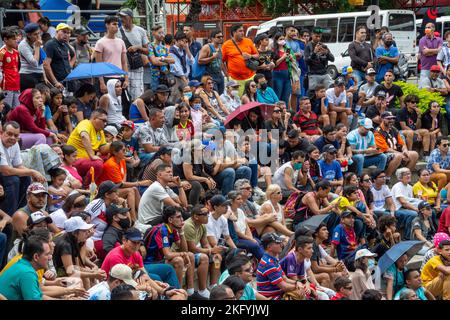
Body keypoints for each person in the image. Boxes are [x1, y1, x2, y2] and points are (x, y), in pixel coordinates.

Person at [144, 206, 209, 298]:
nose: (182, 220)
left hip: (160, 261)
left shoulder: (173, 229)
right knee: (178, 260)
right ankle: (178, 293)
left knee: (190, 255)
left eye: (182, 217)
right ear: (170, 219)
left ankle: (190, 291)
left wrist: (181, 232)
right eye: (178, 217)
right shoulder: (162, 230)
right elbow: (168, 254)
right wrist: (182, 254)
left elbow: (185, 250)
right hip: (150, 263)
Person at [0, 122, 45, 218]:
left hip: (4, 174)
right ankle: (9, 216)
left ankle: (21, 213)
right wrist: (32, 171)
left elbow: (18, 165)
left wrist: (33, 174)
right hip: (3, 174)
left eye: (15, 135)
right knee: (13, 180)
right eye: (9, 134)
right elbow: (5, 170)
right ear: (1, 133)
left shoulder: (14, 144)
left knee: (26, 178)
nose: (12, 138)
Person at [67, 108, 110, 187]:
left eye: (106, 121)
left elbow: (103, 149)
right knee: (98, 164)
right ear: (94, 118)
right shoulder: (85, 123)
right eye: (103, 120)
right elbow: (84, 136)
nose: (105, 123)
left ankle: (104, 185)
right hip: (75, 159)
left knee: (109, 157)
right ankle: (86, 187)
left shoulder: (100, 131)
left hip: (86, 161)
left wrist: (114, 145)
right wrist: (92, 156)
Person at [256, 232, 306, 300]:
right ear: (269, 247)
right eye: (277, 243)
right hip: (271, 297)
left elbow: (285, 279)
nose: (281, 245)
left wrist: (297, 282)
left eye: (281, 242)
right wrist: (298, 286)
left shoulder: (274, 259)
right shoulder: (268, 263)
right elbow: (284, 286)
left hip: (278, 294)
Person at [0, 235, 51, 300]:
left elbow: (39, 296)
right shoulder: (27, 273)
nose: (50, 258)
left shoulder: (21, 265)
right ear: (36, 257)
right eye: (47, 254)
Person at [117, 8, 149, 101]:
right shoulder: (117, 31)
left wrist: (137, 47)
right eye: (120, 16)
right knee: (123, 97)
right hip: (121, 68)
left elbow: (147, 51)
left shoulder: (141, 31)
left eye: (123, 16)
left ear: (130, 17)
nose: (121, 19)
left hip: (136, 68)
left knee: (137, 97)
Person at [374, 111, 418, 178]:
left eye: (392, 118)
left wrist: (405, 151)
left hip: (396, 153)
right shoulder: (378, 132)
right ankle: (387, 178)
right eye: (388, 119)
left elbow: (402, 144)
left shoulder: (394, 129)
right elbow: (386, 149)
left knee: (414, 154)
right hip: (383, 155)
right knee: (398, 156)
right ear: (382, 119)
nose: (391, 120)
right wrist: (401, 154)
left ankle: (404, 177)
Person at [95, 15, 129, 94]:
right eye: (114, 24)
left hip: (120, 77)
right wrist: (102, 83)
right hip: (106, 77)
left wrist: (126, 79)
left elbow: (124, 62)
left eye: (117, 24)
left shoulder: (121, 42)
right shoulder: (100, 42)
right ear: (107, 25)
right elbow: (98, 65)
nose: (116, 26)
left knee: (121, 103)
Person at [222, 24, 259, 95]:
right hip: (234, 79)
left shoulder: (249, 41)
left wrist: (250, 56)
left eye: (243, 31)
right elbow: (221, 61)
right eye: (240, 31)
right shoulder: (226, 45)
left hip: (250, 77)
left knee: (251, 100)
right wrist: (226, 74)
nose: (243, 33)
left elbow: (257, 56)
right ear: (234, 32)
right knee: (237, 101)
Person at [310, 223, 346, 289]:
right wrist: (335, 269)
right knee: (326, 275)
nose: (327, 232)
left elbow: (320, 265)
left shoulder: (317, 245)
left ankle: (335, 296)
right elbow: (315, 269)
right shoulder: (313, 245)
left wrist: (334, 266)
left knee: (334, 274)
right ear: (316, 233)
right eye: (324, 229)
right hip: (307, 275)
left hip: (313, 271)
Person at [397, 95, 431, 159]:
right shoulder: (401, 112)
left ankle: (425, 155)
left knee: (426, 132)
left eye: (416, 102)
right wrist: (416, 133)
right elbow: (403, 127)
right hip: (401, 132)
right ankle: (409, 153)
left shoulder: (415, 112)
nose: (415, 104)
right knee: (410, 133)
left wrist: (419, 116)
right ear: (407, 103)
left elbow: (418, 127)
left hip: (413, 130)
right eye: (413, 102)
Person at [391, 168, 420, 240]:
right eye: (406, 174)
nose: (408, 175)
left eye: (409, 173)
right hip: (398, 209)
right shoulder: (398, 186)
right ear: (400, 177)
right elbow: (403, 202)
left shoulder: (410, 187)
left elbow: (410, 201)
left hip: (406, 209)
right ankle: (407, 238)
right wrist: (416, 209)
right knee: (413, 214)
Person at [43, 23, 73, 91]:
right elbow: (46, 65)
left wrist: (69, 66)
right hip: (57, 83)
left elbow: (73, 55)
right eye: (64, 32)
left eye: (68, 33)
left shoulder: (65, 44)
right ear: (57, 32)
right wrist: (55, 82)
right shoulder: (50, 44)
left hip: (67, 82)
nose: (66, 35)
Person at [18, 23, 46, 91]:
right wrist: (37, 47)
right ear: (28, 35)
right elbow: (34, 63)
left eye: (39, 33)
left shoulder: (36, 42)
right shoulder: (23, 45)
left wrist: (44, 76)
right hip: (28, 75)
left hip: (39, 75)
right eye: (35, 34)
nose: (38, 36)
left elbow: (41, 62)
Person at [168, 31, 195, 102]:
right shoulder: (172, 51)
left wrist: (187, 49)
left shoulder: (184, 50)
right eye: (182, 40)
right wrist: (186, 83)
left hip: (185, 78)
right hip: (177, 79)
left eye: (185, 41)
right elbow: (177, 69)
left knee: (186, 99)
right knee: (177, 99)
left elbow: (192, 62)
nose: (184, 42)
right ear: (176, 40)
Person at [148, 25, 175, 91]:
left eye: (163, 33)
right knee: (156, 95)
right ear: (153, 33)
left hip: (165, 76)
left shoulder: (164, 48)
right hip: (155, 77)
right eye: (159, 33)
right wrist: (166, 62)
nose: (162, 35)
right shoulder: (150, 46)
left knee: (166, 94)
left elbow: (173, 60)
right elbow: (154, 61)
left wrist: (162, 59)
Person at [271, 33, 295, 107]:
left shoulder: (287, 49)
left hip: (287, 74)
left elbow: (294, 62)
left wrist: (291, 58)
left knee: (286, 96)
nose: (282, 41)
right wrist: (283, 57)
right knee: (278, 95)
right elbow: (274, 65)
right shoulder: (274, 50)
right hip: (277, 74)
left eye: (283, 39)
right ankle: (278, 111)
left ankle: (286, 112)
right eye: (280, 39)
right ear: (276, 41)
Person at [198, 30, 225, 94]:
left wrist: (226, 74)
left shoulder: (220, 48)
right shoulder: (207, 47)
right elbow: (200, 61)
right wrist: (212, 57)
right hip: (210, 76)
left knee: (220, 95)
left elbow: (221, 62)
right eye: (218, 37)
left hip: (220, 75)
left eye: (222, 36)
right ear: (212, 38)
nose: (221, 38)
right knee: (214, 95)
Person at [0, 27, 20, 109]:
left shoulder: (16, 52)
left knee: (16, 109)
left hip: (16, 84)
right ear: (5, 40)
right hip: (7, 86)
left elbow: (17, 68)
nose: (16, 40)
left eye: (16, 38)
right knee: (7, 109)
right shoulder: (2, 53)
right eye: (13, 39)